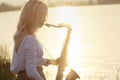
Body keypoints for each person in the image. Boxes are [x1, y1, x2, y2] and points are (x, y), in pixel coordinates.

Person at [10, 0, 57, 80]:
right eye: (43, 15)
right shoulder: (30, 40)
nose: (45, 19)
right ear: (34, 16)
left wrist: (52, 62)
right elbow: (31, 71)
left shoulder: (22, 37)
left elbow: (31, 61)